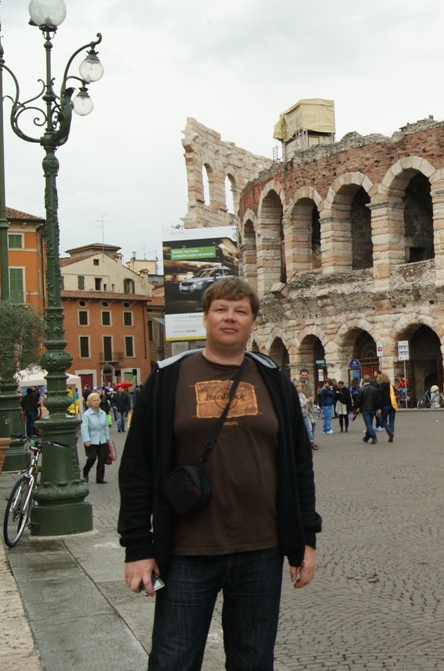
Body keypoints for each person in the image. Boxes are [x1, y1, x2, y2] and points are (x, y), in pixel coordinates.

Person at [118, 276, 319, 670]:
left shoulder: (273, 380)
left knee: (253, 661)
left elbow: (299, 467)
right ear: (205, 318)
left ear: (253, 321)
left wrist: (305, 541)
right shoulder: (168, 378)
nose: (230, 317)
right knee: (173, 661)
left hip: (261, 548)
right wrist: (138, 548)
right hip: (186, 551)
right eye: (221, 309)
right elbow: (137, 469)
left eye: (240, 311)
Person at [81, 391, 111, 484]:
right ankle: (85, 472)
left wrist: (107, 438)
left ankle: (100, 478)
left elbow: (105, 427)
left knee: (102, 459)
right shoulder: (87, 414)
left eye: (97, 400)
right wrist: (86, 440)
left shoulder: (103, 413)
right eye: (94, 400)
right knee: (92, 458)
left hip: (101, 439)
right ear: (90, 402)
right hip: (91, 440)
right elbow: (84, 428)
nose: (96, 402)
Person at [358, 372, 380, 444]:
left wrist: (355, 409)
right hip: (373, 409)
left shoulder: (361, 389)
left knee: (368, 425)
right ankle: (366, 438)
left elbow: (358, 400)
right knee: (370, 423)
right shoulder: (374, 389)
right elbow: (377, 400)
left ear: (363, 380)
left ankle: (374, 437)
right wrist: (378, 408)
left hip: (365, 409)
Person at [378, 372, 398, 442]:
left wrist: (379, 408)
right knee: (392, 421)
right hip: (392, 405)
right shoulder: (391, 386)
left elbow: (379, 399)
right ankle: (391, 435)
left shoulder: (380, 388)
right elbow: (396, 393)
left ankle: (390, 432)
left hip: (385, 406)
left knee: (383, 421)